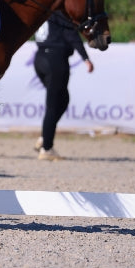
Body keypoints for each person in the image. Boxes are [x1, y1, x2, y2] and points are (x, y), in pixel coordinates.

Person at [33, 11, 94, 160]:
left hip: (40, 58)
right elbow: (72, 36)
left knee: (63, 100)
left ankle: (44, 137)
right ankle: (46, 149)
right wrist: (85, 58)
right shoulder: (61, 14)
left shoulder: (45, 10)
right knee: (53, 105)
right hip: (55, 59)